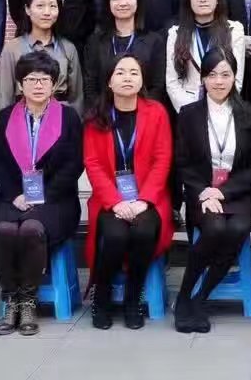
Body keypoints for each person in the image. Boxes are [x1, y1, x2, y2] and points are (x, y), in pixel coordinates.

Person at [0, 51, 83, 336]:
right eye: (31, 79)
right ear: (20, 83)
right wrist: (15, 194)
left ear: (54, 84)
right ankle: (10, 301)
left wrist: (43, 196)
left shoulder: (68, 117)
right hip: (13, 196)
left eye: (44, 79)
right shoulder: (6, 117)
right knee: (5, 229)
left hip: (55, 199)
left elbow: (73, 164)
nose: (38, 85)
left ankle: (28, 301)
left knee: (31, 228)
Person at [173, 49, 251, 333]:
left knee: (235, 229)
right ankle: (184, 296)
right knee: (214, 229)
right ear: (203, 78)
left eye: (225, 74)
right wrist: (204, 192)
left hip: (238, 194)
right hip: (202, 193)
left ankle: (199, 298)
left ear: (235, 77)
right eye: (212, 75)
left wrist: (223, 192)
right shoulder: (189, 114)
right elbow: (182, 163)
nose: (219, 81)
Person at [83, 56, 174, 330]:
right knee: (115, 234)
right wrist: (115, 202)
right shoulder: (96, 117)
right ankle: (102, 296)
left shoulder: (156, 112)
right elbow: (93, 164)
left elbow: (162, 159)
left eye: (134, 72)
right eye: (120, 72)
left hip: (149, 198)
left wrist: (145, 199)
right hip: (110, 199)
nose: (127, 77)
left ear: (142, 80)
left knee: (143, 231)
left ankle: (133, 299)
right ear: (109, 81)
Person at [0, 0, 85, 114]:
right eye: (40, 6)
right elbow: (4, 97)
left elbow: (76, 98)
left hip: (60, 118)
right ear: (27, 9)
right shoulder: (12, 48)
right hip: (23, 117)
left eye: (53, 6)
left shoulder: (68, 48)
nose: (47, 12)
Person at [165, 0, 247, 113]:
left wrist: (218, 108)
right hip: (188, 109)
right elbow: (172, 83)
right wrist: (192, 111)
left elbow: (237, 80)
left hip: (224, 108)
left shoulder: (234, 30)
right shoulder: (176, 33)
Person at [83, 0, 167, 111]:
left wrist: (143, 111)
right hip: (104, 115)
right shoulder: (95, 42)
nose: (122, 3)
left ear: (138, 1)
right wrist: (101, 112)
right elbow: (90, 85)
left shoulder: (154, 42)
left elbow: (157, 86)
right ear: (108, 3)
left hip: (143, 114)